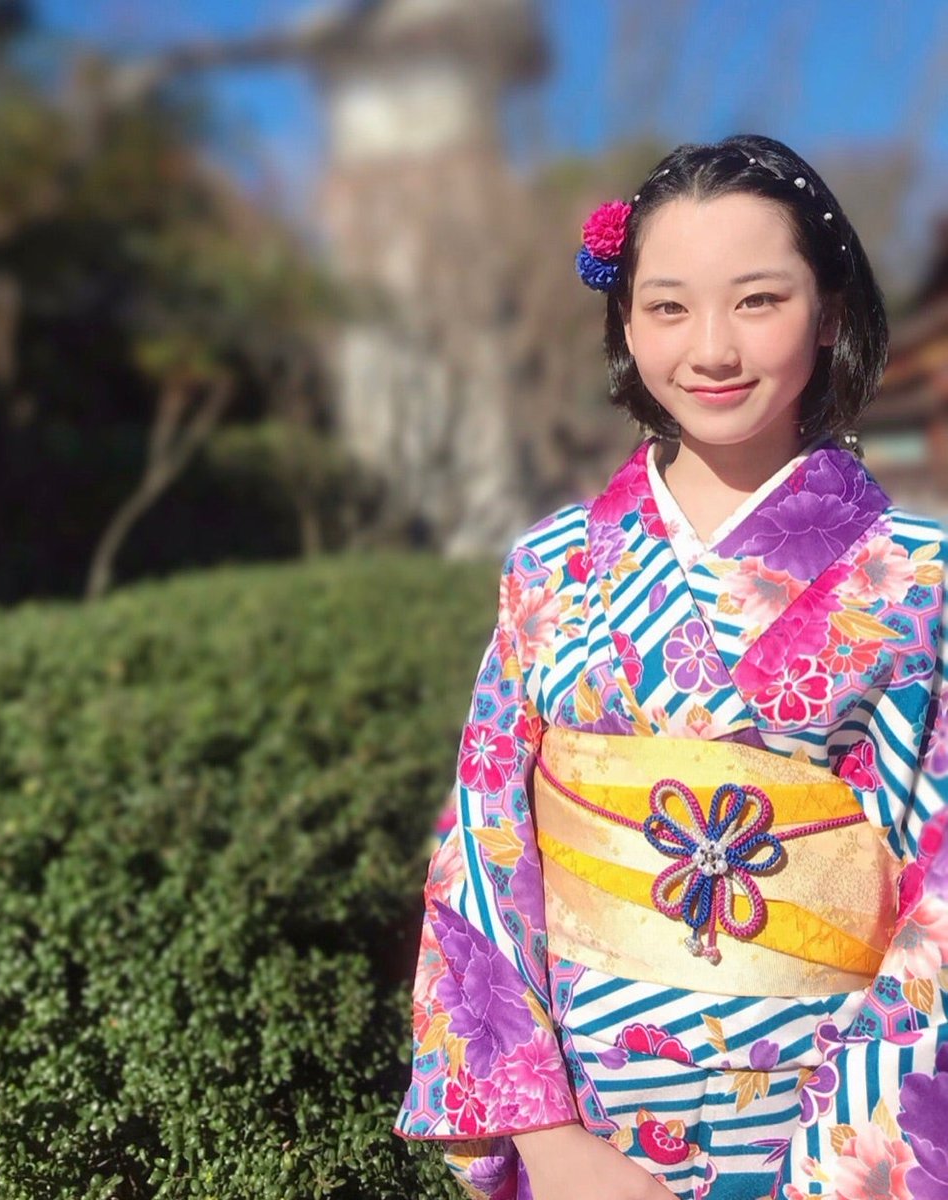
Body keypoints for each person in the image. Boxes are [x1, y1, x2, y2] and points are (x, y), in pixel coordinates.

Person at [394, 134, 948, 1200]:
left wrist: (839, 1170)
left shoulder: (919, 581)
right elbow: (483, 843)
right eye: (667, 307)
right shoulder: (551, 567)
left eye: (757, 300)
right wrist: (548, 1142)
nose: (711, 349)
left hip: (824, 1128)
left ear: (828, 313)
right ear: (624, 321)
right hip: (585, 1135)